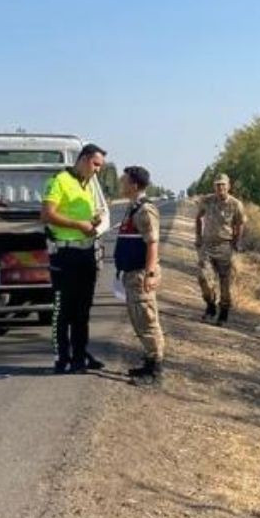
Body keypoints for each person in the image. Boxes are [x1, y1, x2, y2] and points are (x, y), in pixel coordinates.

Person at [43, 143, 110, 373]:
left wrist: (93, 221)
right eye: (95, 164)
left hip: (86, 252)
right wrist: (77, 225)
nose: (97, 170)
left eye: (100, 166)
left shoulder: (88, 185)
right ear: (83, 159)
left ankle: (80, 358)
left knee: (83, 310)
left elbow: (84, 216)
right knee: (64, 310)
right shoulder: (59, 180)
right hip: (66, 254)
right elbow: (47, 214)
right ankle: (62, 358)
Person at [114, 165, 165, 386]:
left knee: (147, 321)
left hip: (140, 274)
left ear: (134, 185)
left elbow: (152, 242)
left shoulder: (145, 210)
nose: (121, 184)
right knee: (138, 320)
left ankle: (155, 371)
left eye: (124, 181)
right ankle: (148, 362)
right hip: (131, 274)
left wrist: (151, 273)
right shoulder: (132, 208)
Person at [195, 173, 245, 325]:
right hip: (207, 246)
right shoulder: (207, 201)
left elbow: (240, 223)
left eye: (223, 185)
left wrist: (236, 242)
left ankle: (223, 313)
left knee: (225, 284)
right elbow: (198, 217)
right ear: (214, 187)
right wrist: (198, 237)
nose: (220, 188)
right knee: (203, 278)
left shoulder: (236, 204)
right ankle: (210, 305)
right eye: (217, 185)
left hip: (225, 246)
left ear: (228, 186)